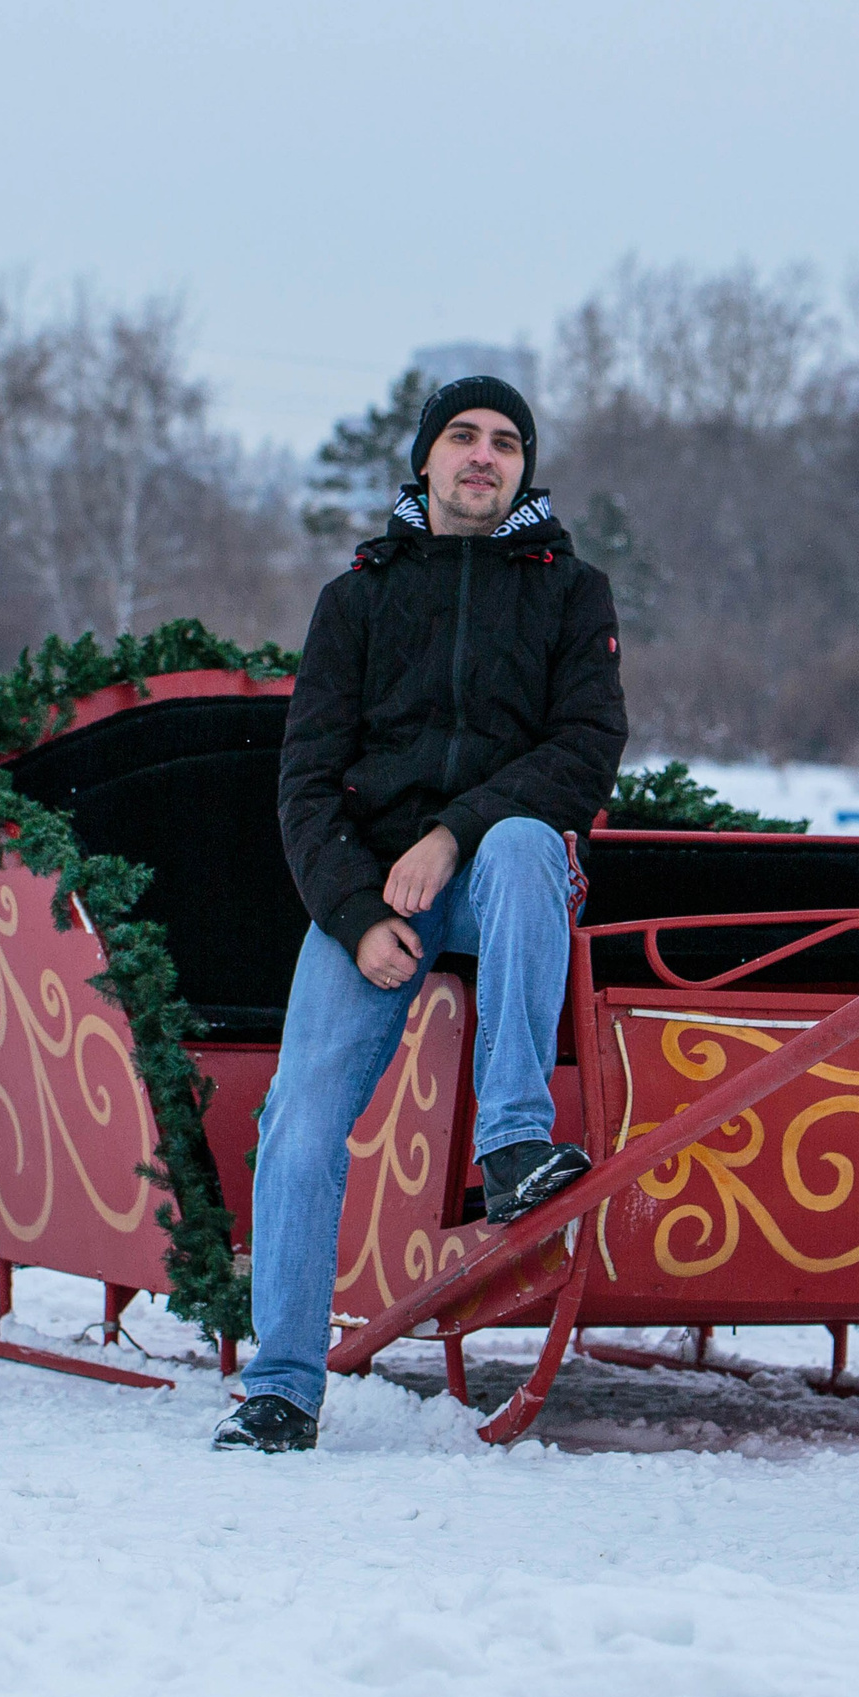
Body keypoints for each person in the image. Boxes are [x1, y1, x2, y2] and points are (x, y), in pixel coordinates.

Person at [214, 376, 627, 1453]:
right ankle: (283, 1388)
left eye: (506, 442)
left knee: (531, 843)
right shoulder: (357, 599)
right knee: (300, 1118)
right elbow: (305, 782)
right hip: (371, 896)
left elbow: (582, 753)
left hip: (502, 886)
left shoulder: (569, 594)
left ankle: (513, 1145)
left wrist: (453, 834)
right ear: (426, 461)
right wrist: (356, 916)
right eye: (463, 437)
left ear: (524, 469)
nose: (484, 456)